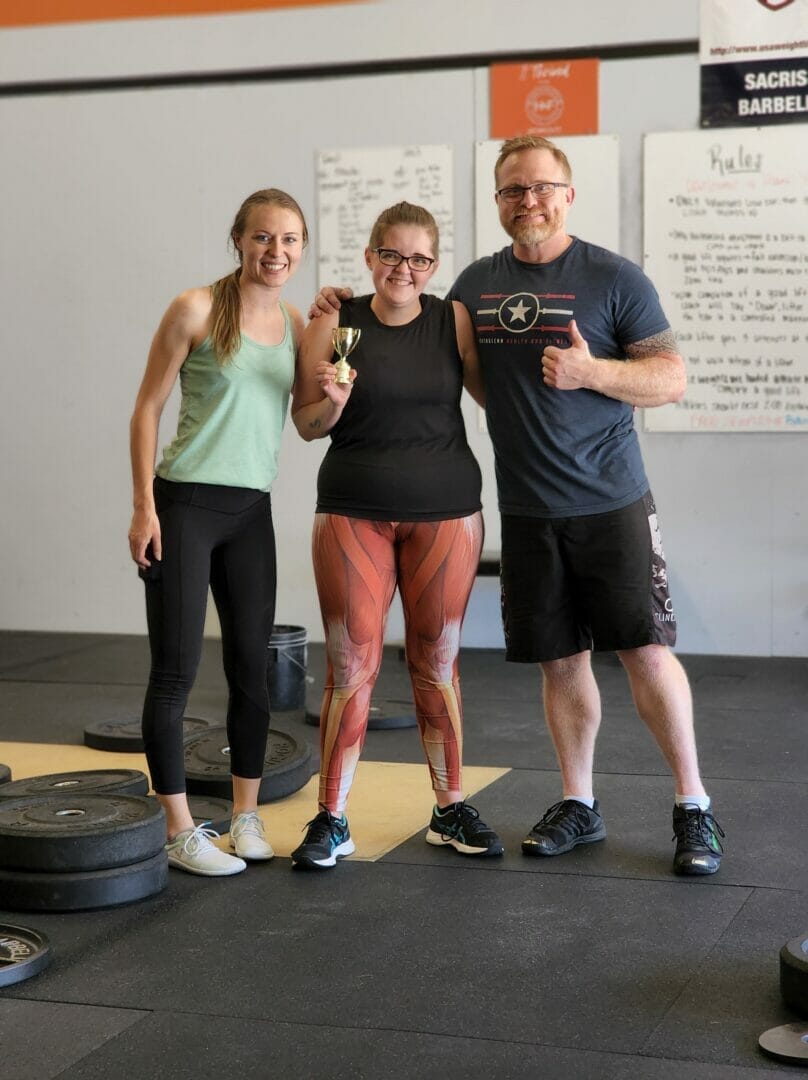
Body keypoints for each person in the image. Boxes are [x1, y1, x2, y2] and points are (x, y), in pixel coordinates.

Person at [312, 138, 725, 877]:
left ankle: (693, 807)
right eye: (511, 191)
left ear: (566, 194)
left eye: (540, 188)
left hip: (611, 500)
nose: (526, 201)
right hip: (526, 506)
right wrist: (333, 304)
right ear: (498, 202)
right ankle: (579, 803)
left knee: (646, 651)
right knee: (560, 663)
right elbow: (438, 354)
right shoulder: (472, 287)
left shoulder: (613, 276)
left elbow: (671, 377)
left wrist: (590, 371)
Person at [289, 201, 503, 870]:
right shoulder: (333, 319)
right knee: (350, 664)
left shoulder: (452, 319)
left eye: (417, 259)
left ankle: (449, 807)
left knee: (438, 662)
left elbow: (497, 397)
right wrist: (335, 401)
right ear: (369, 256)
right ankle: (332, 818)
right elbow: (307, 424)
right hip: (353, 508)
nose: (402, 269)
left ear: (433, 266)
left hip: (447, 510)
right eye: (391, 255)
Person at [128, 188, 307, 876]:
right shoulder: (195, 308)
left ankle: (246, 818)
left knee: (252, 671)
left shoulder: (293, 321)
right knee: (175, 672)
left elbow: (307, 418)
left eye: (290, 240)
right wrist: (144, 505)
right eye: (264, 237)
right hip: (185, 506)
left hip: (250, 513)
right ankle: (178, 830)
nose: (276, 251)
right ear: (239, 239)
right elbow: (146, 408)